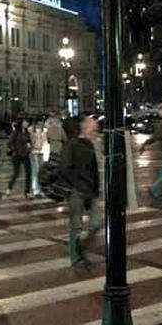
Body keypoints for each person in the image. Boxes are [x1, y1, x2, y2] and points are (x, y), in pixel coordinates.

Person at [60, 115, 102, 268]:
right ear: (85, 128)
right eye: (93, 128)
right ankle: (75, 257)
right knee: (76, 225)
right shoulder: (71, 144)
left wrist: (96, 188)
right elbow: (65, 168)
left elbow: (94, 169)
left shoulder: (89, 144)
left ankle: (81, 247)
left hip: (90, 191)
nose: (95, 131)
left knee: (96, 222)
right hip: (76, 191)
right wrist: (77, 183)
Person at [6, 118, 32, 198]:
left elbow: (28, 141)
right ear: (21, 123)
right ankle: (9, 188)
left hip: (25, 154)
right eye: (25, 122)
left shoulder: (27, 132)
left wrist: (29, 145)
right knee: (16, 173)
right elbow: (9, 143)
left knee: (29, 172)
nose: (26, 124)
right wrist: (15, 149)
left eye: (27, 122)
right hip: (17, 155)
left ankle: (27, 191)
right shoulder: (16, 132)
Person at [28, 119, 47, 197]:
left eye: (42, 124)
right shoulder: (31, 131)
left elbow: (45, 142)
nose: (40, 126)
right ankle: (36, 190)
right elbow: (31, 142)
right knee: (35, 171)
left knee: (41, 171)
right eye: (39, 124)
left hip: (41, 152)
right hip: (33, 152)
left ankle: (41, 189)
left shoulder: (44, 131)